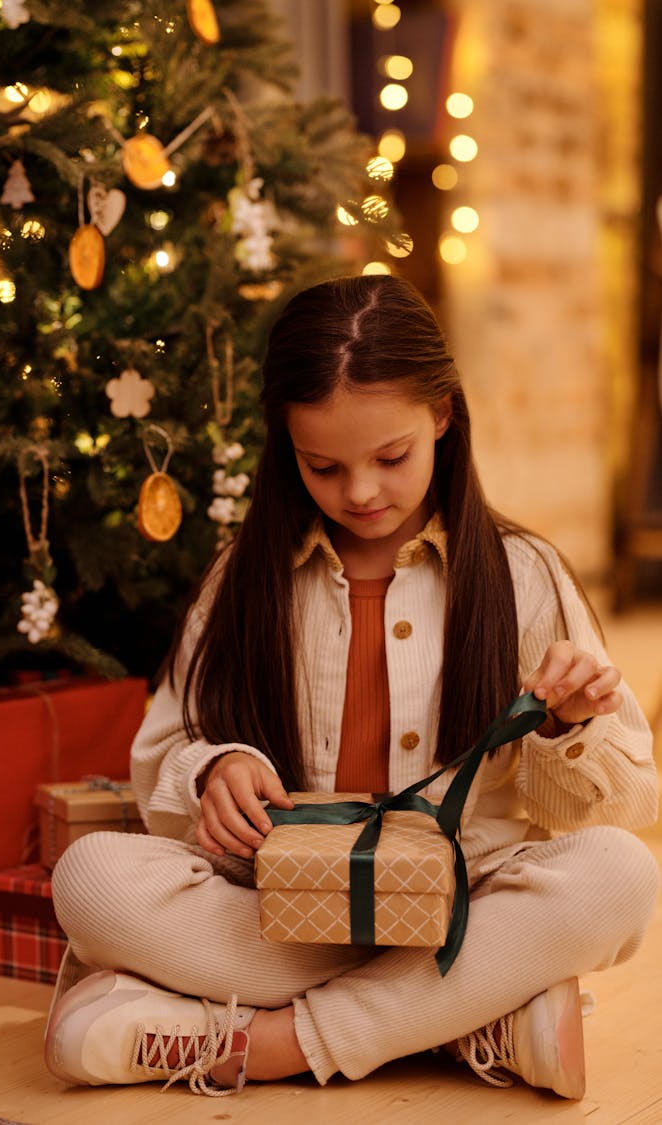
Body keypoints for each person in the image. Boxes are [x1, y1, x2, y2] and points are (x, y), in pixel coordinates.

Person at [44, 275, 659, 1100]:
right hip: (292, 912)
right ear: (285, 444)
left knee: (619, 872)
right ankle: (469, 1015)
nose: (361, 492)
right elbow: (162, 759)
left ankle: (265, 1042)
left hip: (463, 907)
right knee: (89, 877)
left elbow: (629, 805)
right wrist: (215, 770)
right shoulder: (244, 576)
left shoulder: (524, 573)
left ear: (443, 414)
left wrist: (568, 729)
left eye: (392, 456)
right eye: (323, 466)